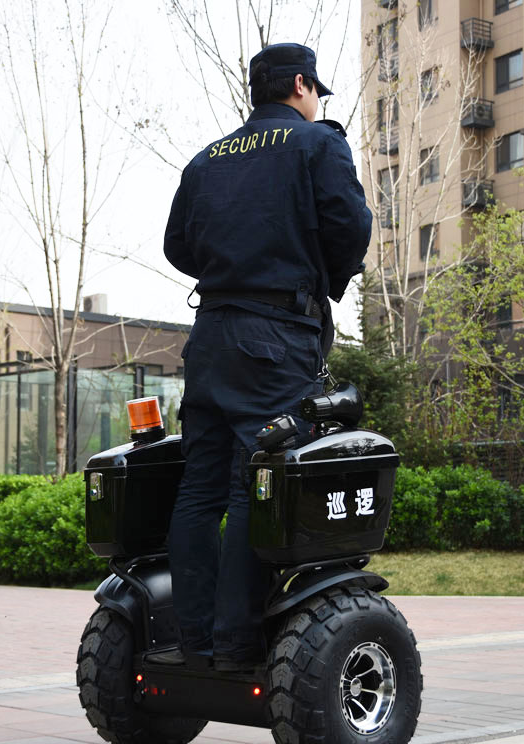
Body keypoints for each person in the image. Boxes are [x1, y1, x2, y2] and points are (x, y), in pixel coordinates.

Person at [152, 42, 372, 671]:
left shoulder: (207, 159)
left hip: (211, 335)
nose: (317, 101)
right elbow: (351, 228)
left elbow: (176, 246)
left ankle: (193, 641)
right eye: (316, 90)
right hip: (275, 338)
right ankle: (236, 643)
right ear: (301, 84)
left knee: (200, 489)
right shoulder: (318, 144)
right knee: (261, 479)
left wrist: (232, 270)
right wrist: (313, 277)